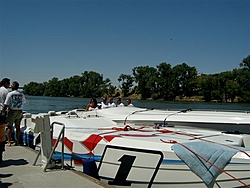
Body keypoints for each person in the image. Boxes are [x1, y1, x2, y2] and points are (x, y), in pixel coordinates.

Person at [2, 81, 26, 146]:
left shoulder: (10, 94)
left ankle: (9, 142)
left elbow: (6, 104)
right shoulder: (21, 94)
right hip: (20, 111)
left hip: (12, 111)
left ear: (12, 86)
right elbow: (24, 102)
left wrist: (3, 111)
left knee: (9, 126)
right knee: (17, 127)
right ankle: (17, 142)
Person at [0, 78, 10, 160]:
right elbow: (7, 103)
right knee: (1, 132)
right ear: (5, 83)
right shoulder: (6, 91)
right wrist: (4, 112)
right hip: (1, 112)